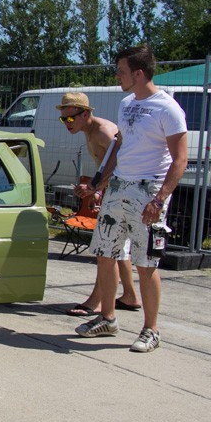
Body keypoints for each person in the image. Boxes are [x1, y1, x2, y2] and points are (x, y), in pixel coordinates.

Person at [76, 44, 188, 353]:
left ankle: (151, 330)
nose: (117, 76)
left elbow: (180, 159)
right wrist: (99, 183)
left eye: (121, 71)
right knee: (105, 254)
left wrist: (160, 199)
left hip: (148, 191)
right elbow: (119, 147)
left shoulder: (168, 109)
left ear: (138, 73)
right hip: (118, 188)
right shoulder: (126, 104)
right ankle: (107, 319)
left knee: (145, 263)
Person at [55, 92, 140, 316]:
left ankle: (98, 301)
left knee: (106, 249)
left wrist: (95, 187)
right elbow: (105, 164)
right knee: (118, 249)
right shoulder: (89, 131)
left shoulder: (103, 131)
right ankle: (130, 296)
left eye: (70, 118)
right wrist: (98, 190)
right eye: (63, 119)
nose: (67, 123)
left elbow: (122, 163)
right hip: (115, 193)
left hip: (123, 193)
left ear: (85, 114)